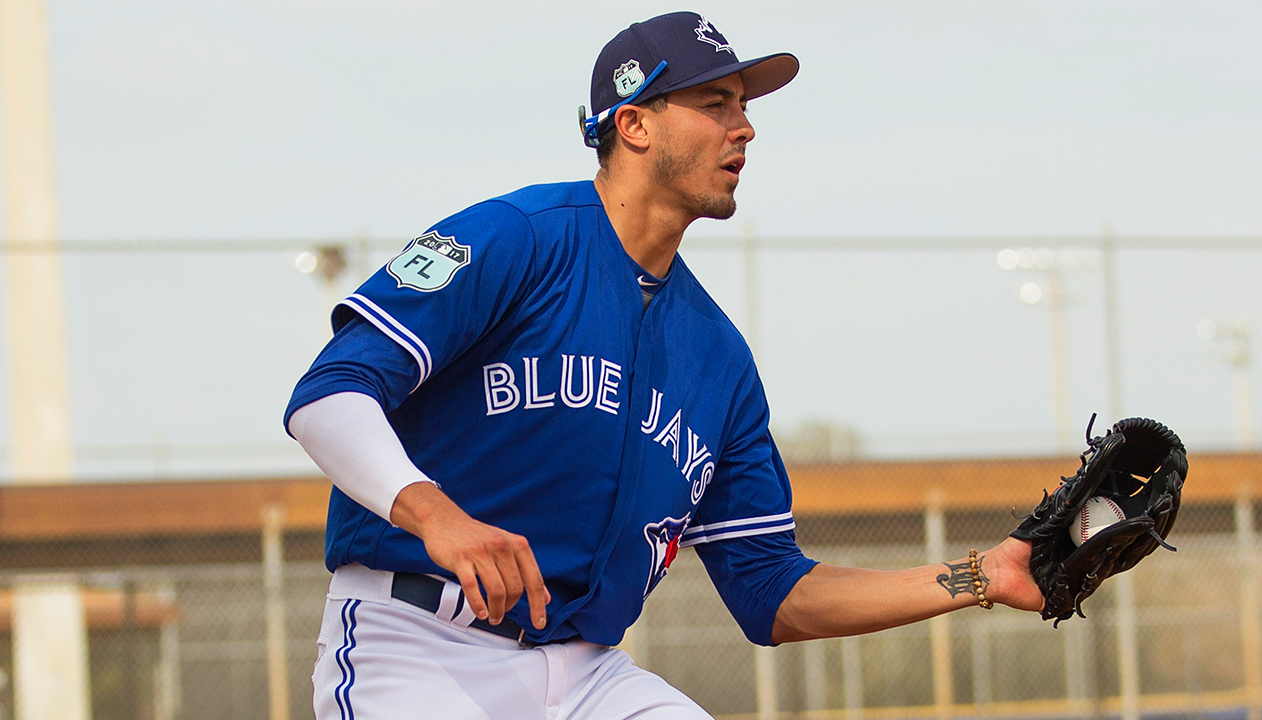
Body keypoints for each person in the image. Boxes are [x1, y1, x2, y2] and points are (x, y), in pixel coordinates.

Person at [285, 11, 1043, 720]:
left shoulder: (718, 357)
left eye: (743, 106)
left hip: (587, 674)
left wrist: (982, 576)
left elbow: (772, 590)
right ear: (634, 122)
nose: (743, 128)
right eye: (715, 102)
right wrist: (434, 513)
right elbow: (328, 394)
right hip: (418, 648)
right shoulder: (515, 238)